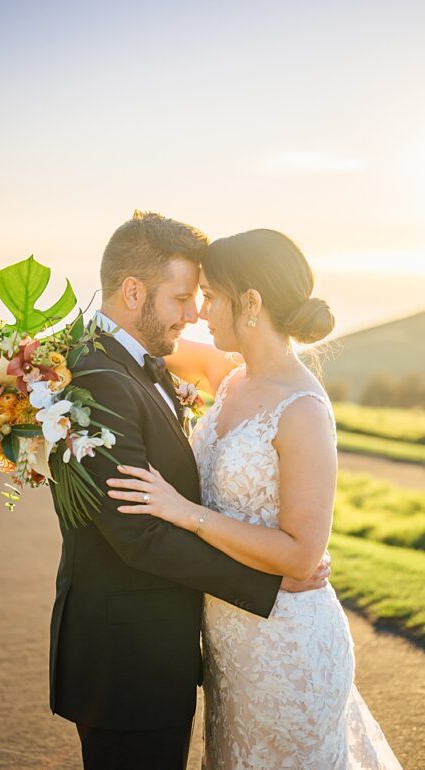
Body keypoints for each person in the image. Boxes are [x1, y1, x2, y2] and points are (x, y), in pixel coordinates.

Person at [109, 228, 401, 768]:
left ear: (250, 302)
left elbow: (300, 556)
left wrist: (186, 513)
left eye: (212, 296)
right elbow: (132, 346)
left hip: (287, 650)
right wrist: (26, 370)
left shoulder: (303, 411)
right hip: (229, 644)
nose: (199, 312)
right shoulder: (230, 378)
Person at [48, 212, 329, 769]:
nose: (194, 312)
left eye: (204, 295)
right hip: (126, 657)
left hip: (204, 648)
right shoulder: (98, 377)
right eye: (183, 297)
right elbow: (140, 535)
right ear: (134, 291)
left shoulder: (136, 368)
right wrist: (268, 581)